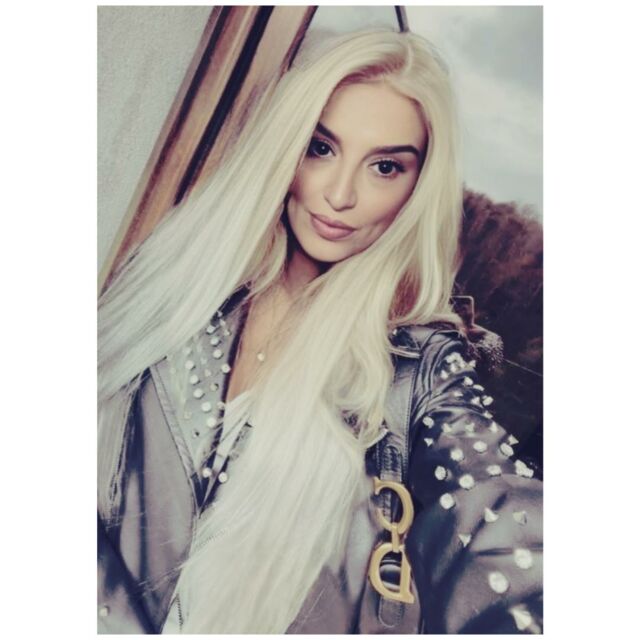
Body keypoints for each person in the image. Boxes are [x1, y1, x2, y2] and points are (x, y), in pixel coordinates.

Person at [98, 29, 542, 634]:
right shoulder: (179, 289)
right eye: (321, 147)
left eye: (384, 167)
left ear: (416, 190)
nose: (340, 194)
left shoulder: (417, 370)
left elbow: (503, 533)